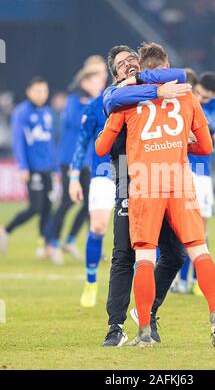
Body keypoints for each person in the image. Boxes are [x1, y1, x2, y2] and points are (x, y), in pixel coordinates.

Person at [96, 42, 215, 348]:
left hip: (143, 180)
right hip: (173, 180)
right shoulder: (177, 93)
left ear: (142, 66)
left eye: (132, 60)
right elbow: (207, 148)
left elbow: (101, 147)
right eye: (121, 63)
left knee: (147, 254)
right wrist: (182, 139)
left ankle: (144, 326)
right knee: (197, 250)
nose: (128, 65)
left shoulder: (125, 104)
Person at [173, 71, 215, 293]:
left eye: (205, 97)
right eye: (198, 95)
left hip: (203, 173)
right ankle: (183, 280)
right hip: (185, 169)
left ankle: (196, 280)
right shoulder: (186, 104)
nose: (201, 99)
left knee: (202, 230)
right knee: (186, 229)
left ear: (213, 94)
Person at [68, 59, 115, 308]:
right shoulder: (94, 107)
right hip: (101, 172)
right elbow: (82, 143)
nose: (100, 79)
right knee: (97, 227)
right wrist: (74, 177)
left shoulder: (129, 102)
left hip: (129, 171)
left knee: (135, 232)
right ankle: (90, 282)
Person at [47, 68, 106, 265]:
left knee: (90, 202)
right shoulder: (73, 101)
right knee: (66, 201)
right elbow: (77, 122)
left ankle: (70, 240)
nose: (100, 85)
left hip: (86, 161)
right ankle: (53, 243)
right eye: (96, 81)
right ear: (85, 82)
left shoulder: (95, 102)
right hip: (68, 160)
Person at [0, 77, 57, 254]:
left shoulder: (48, 112)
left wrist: (55, 168)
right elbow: (18, 141)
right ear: (29, 92)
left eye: (45, 91)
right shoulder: (22, 112)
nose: (42, 95)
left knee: (48, 207)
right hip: (32, 168)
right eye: (38, 91)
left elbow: (51, 143)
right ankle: (5, 230)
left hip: (47, 167)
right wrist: (22, 166)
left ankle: (44, 243)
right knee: (36, 207)